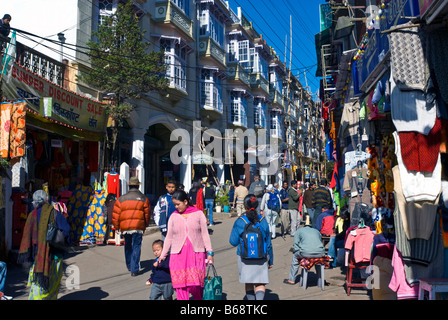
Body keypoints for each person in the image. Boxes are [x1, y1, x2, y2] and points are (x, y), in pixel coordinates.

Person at [158, 190, 213, 300]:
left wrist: (210, 252)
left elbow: (205, 234)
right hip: (178, 255)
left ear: (186, 201)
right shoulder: (173, 217)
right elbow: (169, 237)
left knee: (196, 285)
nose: (176, 207)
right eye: (174, 205)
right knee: (180, 286)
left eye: (178, 204)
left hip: (196, 254)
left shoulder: (198, 214)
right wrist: (163, 254)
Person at [17, 190, 70, 300]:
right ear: (47, 199)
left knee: (37, 286)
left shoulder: (32, 215)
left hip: (38, 258)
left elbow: (27, 236)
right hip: (55, 255)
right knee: (53, 285)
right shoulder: (55, 213)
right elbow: (66, 231)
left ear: (35, 201)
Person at [229, 195, 273, 300]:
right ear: (257, 205)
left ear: (244, 206)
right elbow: (268, 243)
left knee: (248, 282)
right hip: (261, 257)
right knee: (260, 283)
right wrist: (270, 260)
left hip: (244, 257)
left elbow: (233, 242)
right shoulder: (262, 220)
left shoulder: (240, 221)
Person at [112, 176, 151, 276]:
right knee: (136, 246)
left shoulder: (121, 199)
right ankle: (134, 269)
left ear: (129, 186)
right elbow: (147, 214)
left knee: (128, 246)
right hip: (138, 226)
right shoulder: (143, 198)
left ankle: (129, 265)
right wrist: (145, 225)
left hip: (125, 227)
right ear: (138, 186)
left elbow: (116, 214)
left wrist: (116, 227)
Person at [284, 215, 326, 285]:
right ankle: (320, 280)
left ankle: (292, 279)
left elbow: (296, 245)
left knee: (295, 258)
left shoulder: (299, 231)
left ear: (304, 225)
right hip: (320, 253)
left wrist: (296, 251)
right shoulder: (316, 231)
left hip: (306, 253)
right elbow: (319, 241)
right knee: (318, 262)